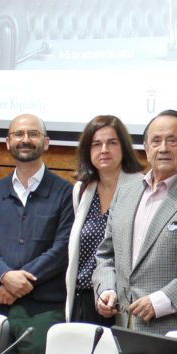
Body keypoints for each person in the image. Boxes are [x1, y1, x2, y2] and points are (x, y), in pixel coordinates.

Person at [93, 109, 177, 334]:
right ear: (146, 149)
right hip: (124, 327)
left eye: (172, 141)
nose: (163, 148)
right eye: (156, 141)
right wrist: (107, 289)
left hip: (176, 331)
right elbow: (106, 254)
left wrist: (160, 302)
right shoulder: (124, 193)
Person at [0, 115, 73, 354]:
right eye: (18, 134)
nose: (25, 139)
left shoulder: (65, 192)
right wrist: (6, 277)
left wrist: (16, 285)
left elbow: (62, 249)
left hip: (42, 314)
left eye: (33, 134)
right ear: (8, 142)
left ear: (46, 143)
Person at [64, 115, 144, 324]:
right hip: (83, 298)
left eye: (112, 143)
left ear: (124, 147)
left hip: (119, 301)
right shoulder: (82, 190)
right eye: (96, 144)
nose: (104, 150)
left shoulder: (141, 188)